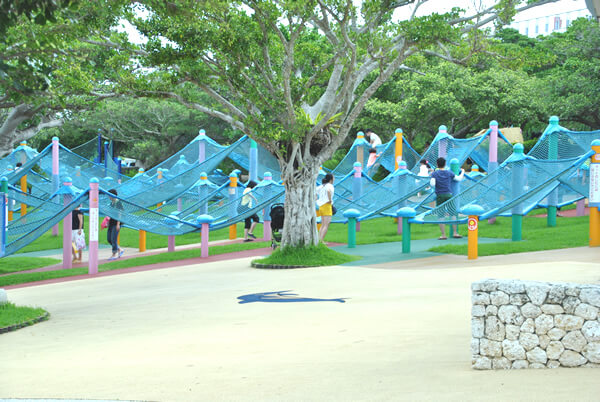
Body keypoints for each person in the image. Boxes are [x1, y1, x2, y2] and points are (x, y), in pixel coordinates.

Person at [430, 157, 464, 240]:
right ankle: (455, 232)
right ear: (445, 164)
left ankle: (443, 234)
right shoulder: (449, 173)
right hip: (449, 194)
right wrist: (462, 172)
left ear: (437, 164)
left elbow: (432, 184)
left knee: (441, 214)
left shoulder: (435, 173)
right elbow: (458, 178)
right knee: (452, 213)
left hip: (440, 195)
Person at [316, 173, 335, 243]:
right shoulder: (330, 186)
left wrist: (316, 199)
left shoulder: (322, 186)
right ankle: (321, 240)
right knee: (326, 224)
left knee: (323, 224)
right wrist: (329, 200)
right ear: (331, 179)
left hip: (321, 206)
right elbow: (328, 191)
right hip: (327, 205)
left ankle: (319, 239)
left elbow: (315, 191)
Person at [107, 189, 124, 260]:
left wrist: (118, 224)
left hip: (116, 222)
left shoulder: (118, 203)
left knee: (113, 239)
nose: (108, 197)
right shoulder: (111, 203)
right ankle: (119, 249)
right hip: (111, 222)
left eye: (109, 195)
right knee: (109, 239)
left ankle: (114, 253)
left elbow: (120, 213)